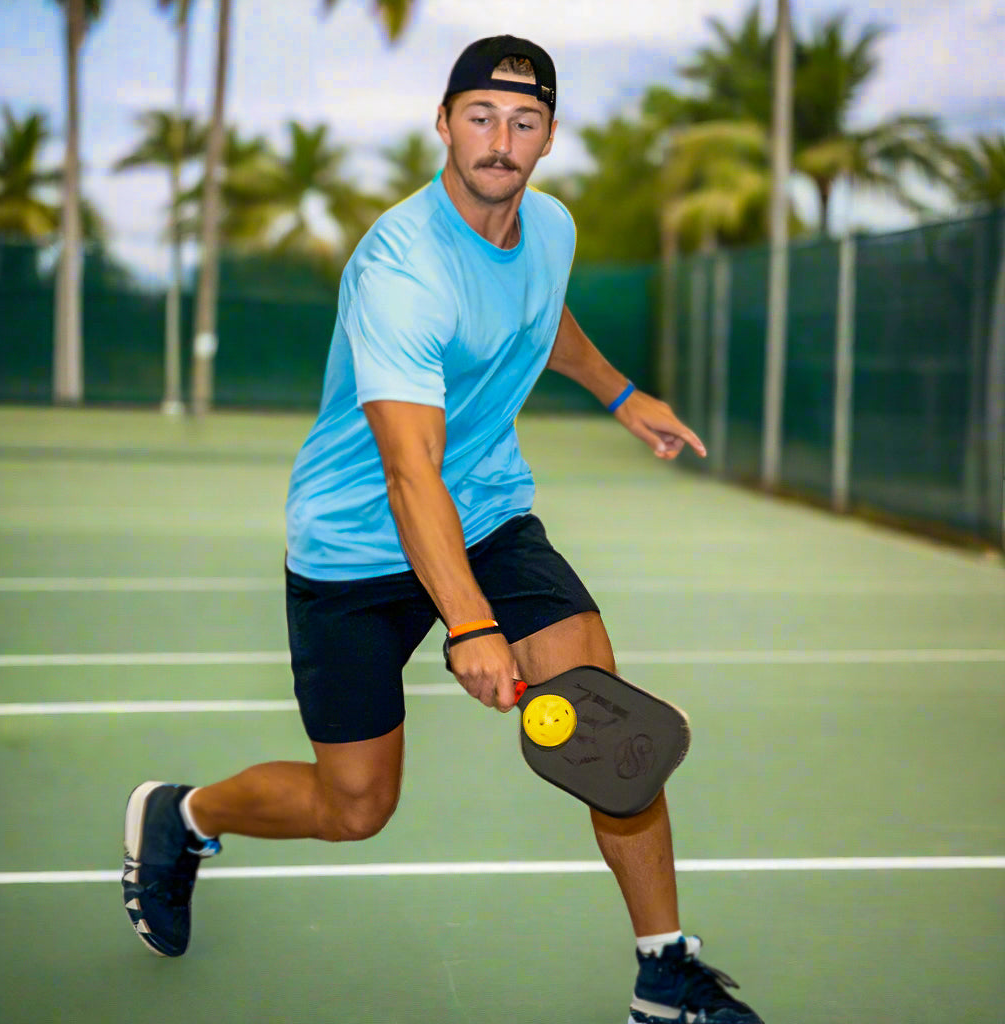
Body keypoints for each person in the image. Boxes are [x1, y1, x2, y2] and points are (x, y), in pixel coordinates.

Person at [121, 35, 764, 1024]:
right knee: (354, 805)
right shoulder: (401, 267)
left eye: (523, 121)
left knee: (610, 733)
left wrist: (622, 393)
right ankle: (185, 815)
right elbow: (408, 471)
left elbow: (541, 317)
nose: (501, 140)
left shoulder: (549, 227)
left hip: (489, 510)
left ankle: (663, 973)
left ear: (548, 135)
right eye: (481, 116)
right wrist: (469, 624)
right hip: (356, 544)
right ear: (444, 123)